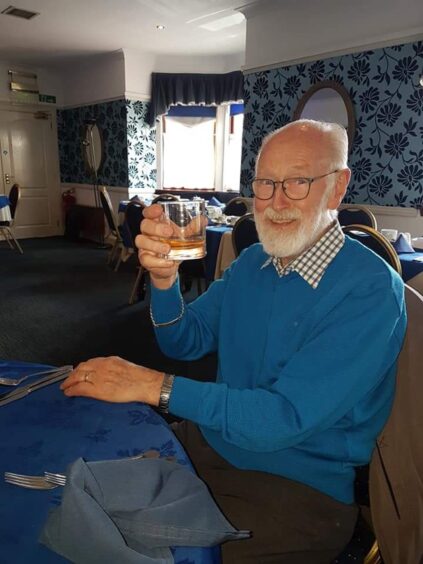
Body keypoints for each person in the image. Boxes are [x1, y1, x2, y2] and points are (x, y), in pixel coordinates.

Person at [62, 119, 407, 563]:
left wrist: (155, 387)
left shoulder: (369, 291)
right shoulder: (254, 263)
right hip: (208, 443)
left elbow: (282, 419)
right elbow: (184, 342)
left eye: (297, 182)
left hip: (296, 490)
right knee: (78, 486)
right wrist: (165, 282)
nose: (276, 201)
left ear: (337, 188)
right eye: (265, 183)